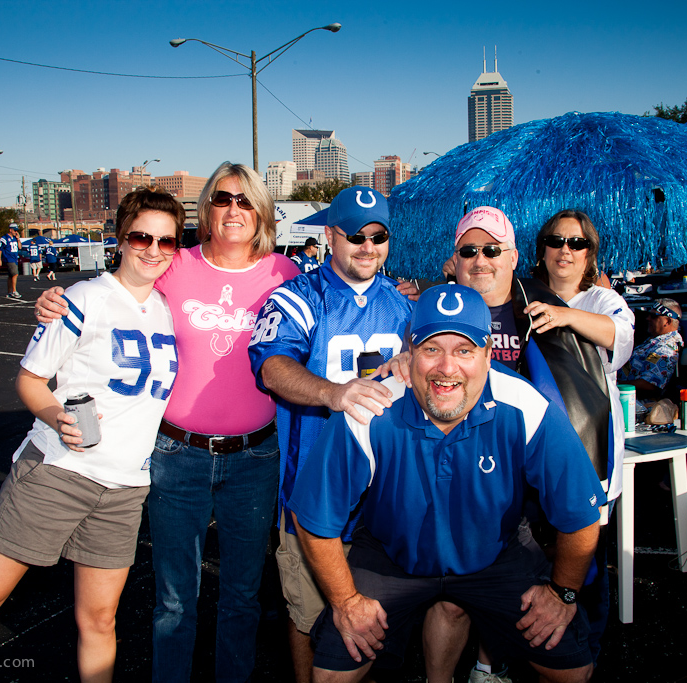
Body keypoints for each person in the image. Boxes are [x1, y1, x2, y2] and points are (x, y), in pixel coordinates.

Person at [0, 187, 184, 683]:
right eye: (142, 237)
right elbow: (31, 380)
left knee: (99, 621)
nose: (154, 250)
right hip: (59, 472)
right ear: (121, 238)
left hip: (125, 488)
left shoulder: (169, 308)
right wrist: (58, 419)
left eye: (167, 241)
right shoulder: (84, 298)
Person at [36, 164, 299, 682]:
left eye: (246, 200)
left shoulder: (284, 273)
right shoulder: (175, 264)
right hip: (178, 455)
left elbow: (336, 304)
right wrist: (56, 301)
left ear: (262, 212)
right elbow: (114, 290)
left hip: (255, 458)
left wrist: (400, 295)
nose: (234, 210)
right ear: (207, 208)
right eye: (223, 198)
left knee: (243, 595)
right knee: (176, 598)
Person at [290, 284, 604, 683]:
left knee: (573, 671)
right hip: (392, 553)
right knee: (331, 676)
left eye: (464, 350)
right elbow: (313, 517)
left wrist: (563, 594)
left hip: (494, 553)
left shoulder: (526, 406)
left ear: (488, 354)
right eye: (432, 349)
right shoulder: (371, 408)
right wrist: (347, 602)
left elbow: (581, 512)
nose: (447, 367)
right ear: (409, 353)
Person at [397, 207, 633, 678]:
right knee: (457, 593)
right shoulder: (439, 307)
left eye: (491, 249)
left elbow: (621, 337)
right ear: (455, 259)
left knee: (563, 578)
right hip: (468, 477)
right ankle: (483, 667)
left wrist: (567, 315)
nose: (480, 259)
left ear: (513, 256)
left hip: (542, 471)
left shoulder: (549, 306)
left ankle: (529, 658)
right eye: (469, 251)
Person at [248, 185, 412, 683]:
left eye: (378, 236)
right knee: (311, 616)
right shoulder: (298, 296)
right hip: (316, 489)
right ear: (330, 236)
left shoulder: (404, 306)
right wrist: (334, 393)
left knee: (379, 620)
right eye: (356, 236)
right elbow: (273, 367)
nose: (368, 247)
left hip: (385, 496)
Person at [618, 298, 683, 398]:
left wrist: (615, 386)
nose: (648, 318)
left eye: (653, 316)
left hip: (636, 400)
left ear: (667, 321)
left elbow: (649, 384)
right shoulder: (657, 341)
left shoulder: (665, 348)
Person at [0, 223, 22, 298]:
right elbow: (0, 249)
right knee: (15, 274)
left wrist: (18, 239)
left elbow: (20, 247)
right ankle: (14, 291)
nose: (16, 232)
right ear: (10, 230)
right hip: (9, 258)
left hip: (15, 258)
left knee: (11, 276)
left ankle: (9, 292)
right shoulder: (4, 238)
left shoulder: (15, 238)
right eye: (14, 230)